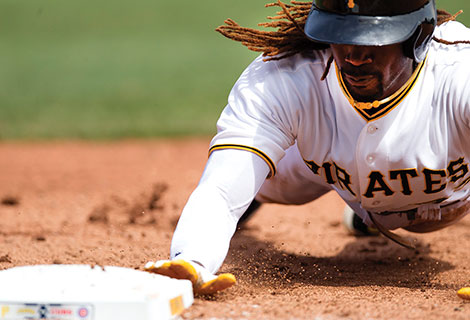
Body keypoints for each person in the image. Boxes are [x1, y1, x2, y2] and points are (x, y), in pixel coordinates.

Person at [145, 0, 470, 294]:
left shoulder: (459, 70)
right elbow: (222, 185)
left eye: (373, 39)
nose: (354, 56)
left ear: (420, 36)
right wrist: (193, 260)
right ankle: (360, 213)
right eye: (340, 34)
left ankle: (363, 216)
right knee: (267, 180)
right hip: (324, 164)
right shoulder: (283, 77)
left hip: (454, 193)